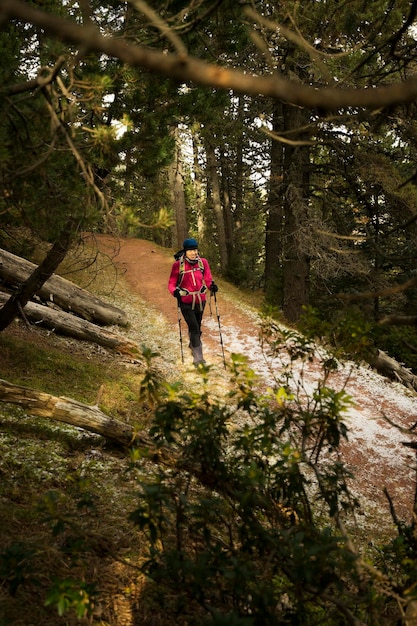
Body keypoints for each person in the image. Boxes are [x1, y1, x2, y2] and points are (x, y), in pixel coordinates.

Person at [168, 237, 218, 365]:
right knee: (195, 328)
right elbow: (172, 283)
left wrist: (211, 286)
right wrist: (175, 292)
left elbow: (208, 279)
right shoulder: (178, 265)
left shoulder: (203, 263)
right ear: (185, 251)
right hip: (185, 301)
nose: (194, 253)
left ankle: (192, 345)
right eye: (191, 250)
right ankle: (198, 358)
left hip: (200, 301)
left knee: (197, 327)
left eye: (195, 250)